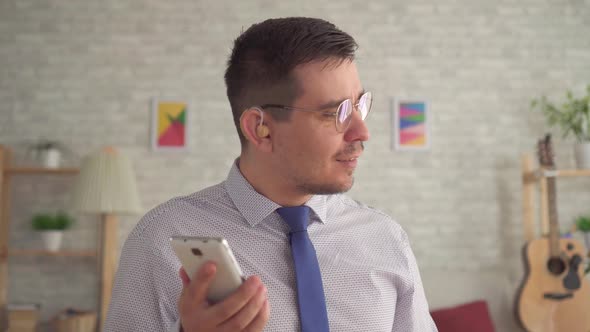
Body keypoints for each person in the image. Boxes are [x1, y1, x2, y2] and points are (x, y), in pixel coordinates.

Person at [105, 17, 437, 332]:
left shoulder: (386, 239)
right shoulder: (162, 236)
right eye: (335, 113)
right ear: (260, 129)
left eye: (359, 106)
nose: (361, 132)